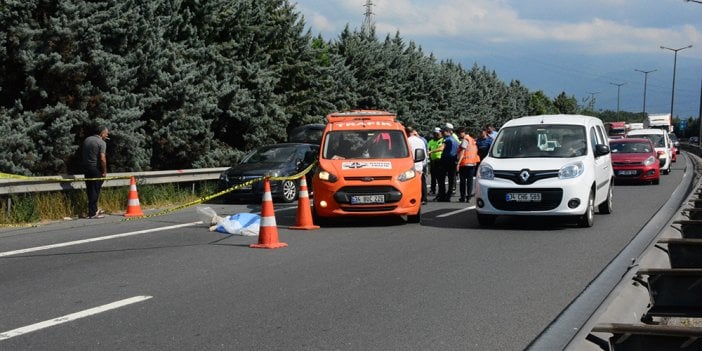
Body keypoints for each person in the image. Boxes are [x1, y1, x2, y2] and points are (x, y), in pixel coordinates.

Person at [82, 126, 109, 218]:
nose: (107, 135)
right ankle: (93, 213)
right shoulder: (102, 142)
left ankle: (93, 210)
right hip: (95, 169)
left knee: (90, 190)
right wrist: (104, 171)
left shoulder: (87, 140)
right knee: (95, 191)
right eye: (106, 133)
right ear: (101, 133)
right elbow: (102, 158)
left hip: (86, 168)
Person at [456, 127, 480, 202]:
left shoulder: (465, 140)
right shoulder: (472, 140)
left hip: (464, 163)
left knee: (463, 182)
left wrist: (458, 163)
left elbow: (462, 152)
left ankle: (463, 197)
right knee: (470, 181)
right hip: (472, 163)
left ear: (462, 133)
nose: (459, 136)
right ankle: (469, 197)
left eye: (459, 134)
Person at [406, 126, 428, 204]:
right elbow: (425, 153)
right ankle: (424, 198)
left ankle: (414, 198)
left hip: (410, 165)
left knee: (410, 183)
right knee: (422, 181)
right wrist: (424, 164)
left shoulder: (407, 141)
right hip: (420, 163)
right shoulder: (420, 140)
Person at [434, 127, 458, 202]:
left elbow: (441, 148)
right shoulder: (455, 140)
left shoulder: (446, 139)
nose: (442, 134)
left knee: (441, 178)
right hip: (453, 160)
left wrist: (431, 152)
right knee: (451, 179)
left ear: (447, 132)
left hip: (446, 160)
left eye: (443, 132)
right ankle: (448, 196)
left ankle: (442, 195)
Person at [427, 127, 443, 195]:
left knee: (440, 176)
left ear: (440, 133)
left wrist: (431, 151)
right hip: (433, 160)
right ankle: (432, 190)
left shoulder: (443, 140)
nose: (436, 135)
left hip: (440, 160)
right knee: (433, 176)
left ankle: (440, 190)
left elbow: (441, 149)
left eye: (437, 133)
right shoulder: (431, 141)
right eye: (435, 133)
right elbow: (428, 148)